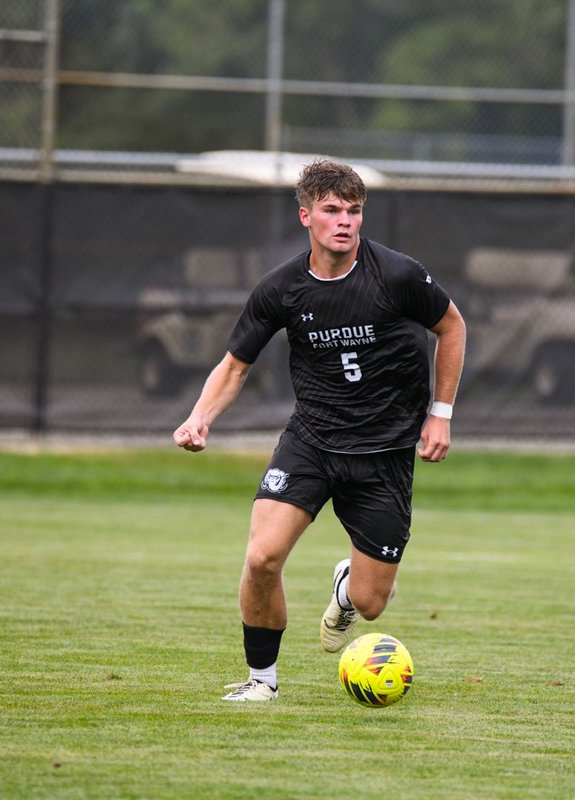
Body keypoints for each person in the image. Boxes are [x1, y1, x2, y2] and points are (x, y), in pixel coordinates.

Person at [173, 159, 467, 701]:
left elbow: (452, 326)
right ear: (306, 215)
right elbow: (235, 365)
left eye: (354, 211)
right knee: (262, 557)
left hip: (384, 452)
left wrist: (441, 413)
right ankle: (262, 681)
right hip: (311, 441)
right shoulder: (281, 288)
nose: (345, 221)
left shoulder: (398, 275)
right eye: (332, 210)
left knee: (372, 603)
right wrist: (199, 418)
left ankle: (347, 590)